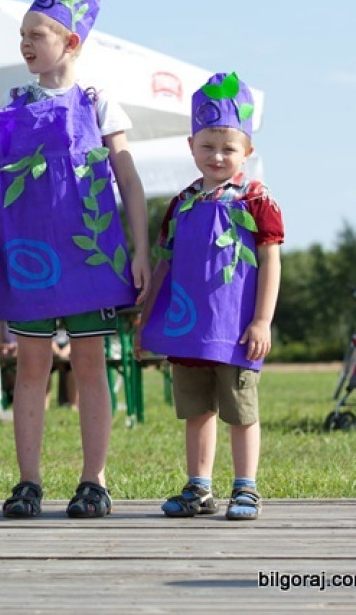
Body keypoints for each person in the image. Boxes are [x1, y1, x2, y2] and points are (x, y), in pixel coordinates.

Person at [0, 0, 151, 519]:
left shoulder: (98, 104)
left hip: (90, 255)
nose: (25, 44)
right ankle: (28, 481)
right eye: (21, 36)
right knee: (31, 368)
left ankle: (94, 481)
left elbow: (129, 181)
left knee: (91, 364)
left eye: (36, 35)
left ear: (71, 41)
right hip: (29, 256)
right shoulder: (11, 105)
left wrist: (141, 250)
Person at [138, 72, 283, 521]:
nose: (217, 156)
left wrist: (262, 320)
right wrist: (146, 322)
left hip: (236, 328)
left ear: (247, 151)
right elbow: (163, 265)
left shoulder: (256, 200)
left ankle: (246, 487)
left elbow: (271, 261)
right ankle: (199, 487)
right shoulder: (181, 203)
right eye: (207, 146)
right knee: (196, 410)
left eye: (228, 148)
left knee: (240, 410)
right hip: (188, 327)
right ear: (191, 146)